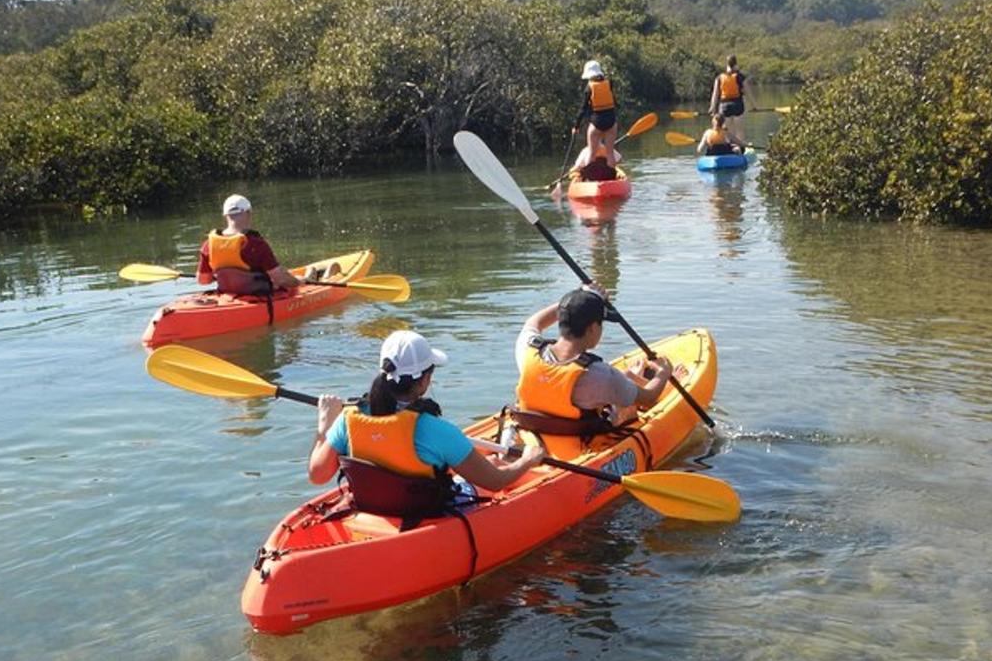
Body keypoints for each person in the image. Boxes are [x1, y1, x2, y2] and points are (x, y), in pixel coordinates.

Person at [308, 331, 546, 517]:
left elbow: (318, 475)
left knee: (492, 460)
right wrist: (528, 459)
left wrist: (324, 426)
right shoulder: (438, 431)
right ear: (423, 380)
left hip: (374, 503)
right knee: (499, 469)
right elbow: (495, 482)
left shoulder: (347, 420)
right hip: (424, 512)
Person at [513, 286, 682, 433]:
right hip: (577, 439)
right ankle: (629, 381)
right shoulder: (599, 375)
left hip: (533, 432)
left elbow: (534, 322)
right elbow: (649, 397)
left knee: (618, 385)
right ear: (593, 328)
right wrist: (663, 373)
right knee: (628, 404)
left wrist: (577, 298)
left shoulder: (528, 349)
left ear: (562, 318)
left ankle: (628, 378)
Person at [196, 194, 331, 294]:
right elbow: (281, 280)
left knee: (284, 274)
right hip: (259, 295)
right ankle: (310, 277)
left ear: (225, 216)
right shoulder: (255, 243)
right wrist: (298, 282)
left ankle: (309, 274)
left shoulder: (208, 245)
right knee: (290, 279)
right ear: (248, 213)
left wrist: (227, 275)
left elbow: (203, 280)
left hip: (227, 294)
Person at [575, 60, 619, 171]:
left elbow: (583, 109)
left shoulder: (589, 88)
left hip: (596, 124)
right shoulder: (609, 84)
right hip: (611, 122)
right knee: (610, 153)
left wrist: (576, 126)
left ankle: (590, 178)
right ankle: (611, 177)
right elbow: (615, 103)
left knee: (591, 152)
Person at [708, 54, 751, 147]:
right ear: (736, 64)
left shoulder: (719, 77)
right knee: (739, 130)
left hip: (724, 107)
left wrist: (712, 108)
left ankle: (729, 149)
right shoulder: (740, 76)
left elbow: (715, 95)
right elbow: (748, 93)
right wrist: (754, 106)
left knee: (728, 132)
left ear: (726, 64)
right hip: (737, 105)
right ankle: (740, 148)